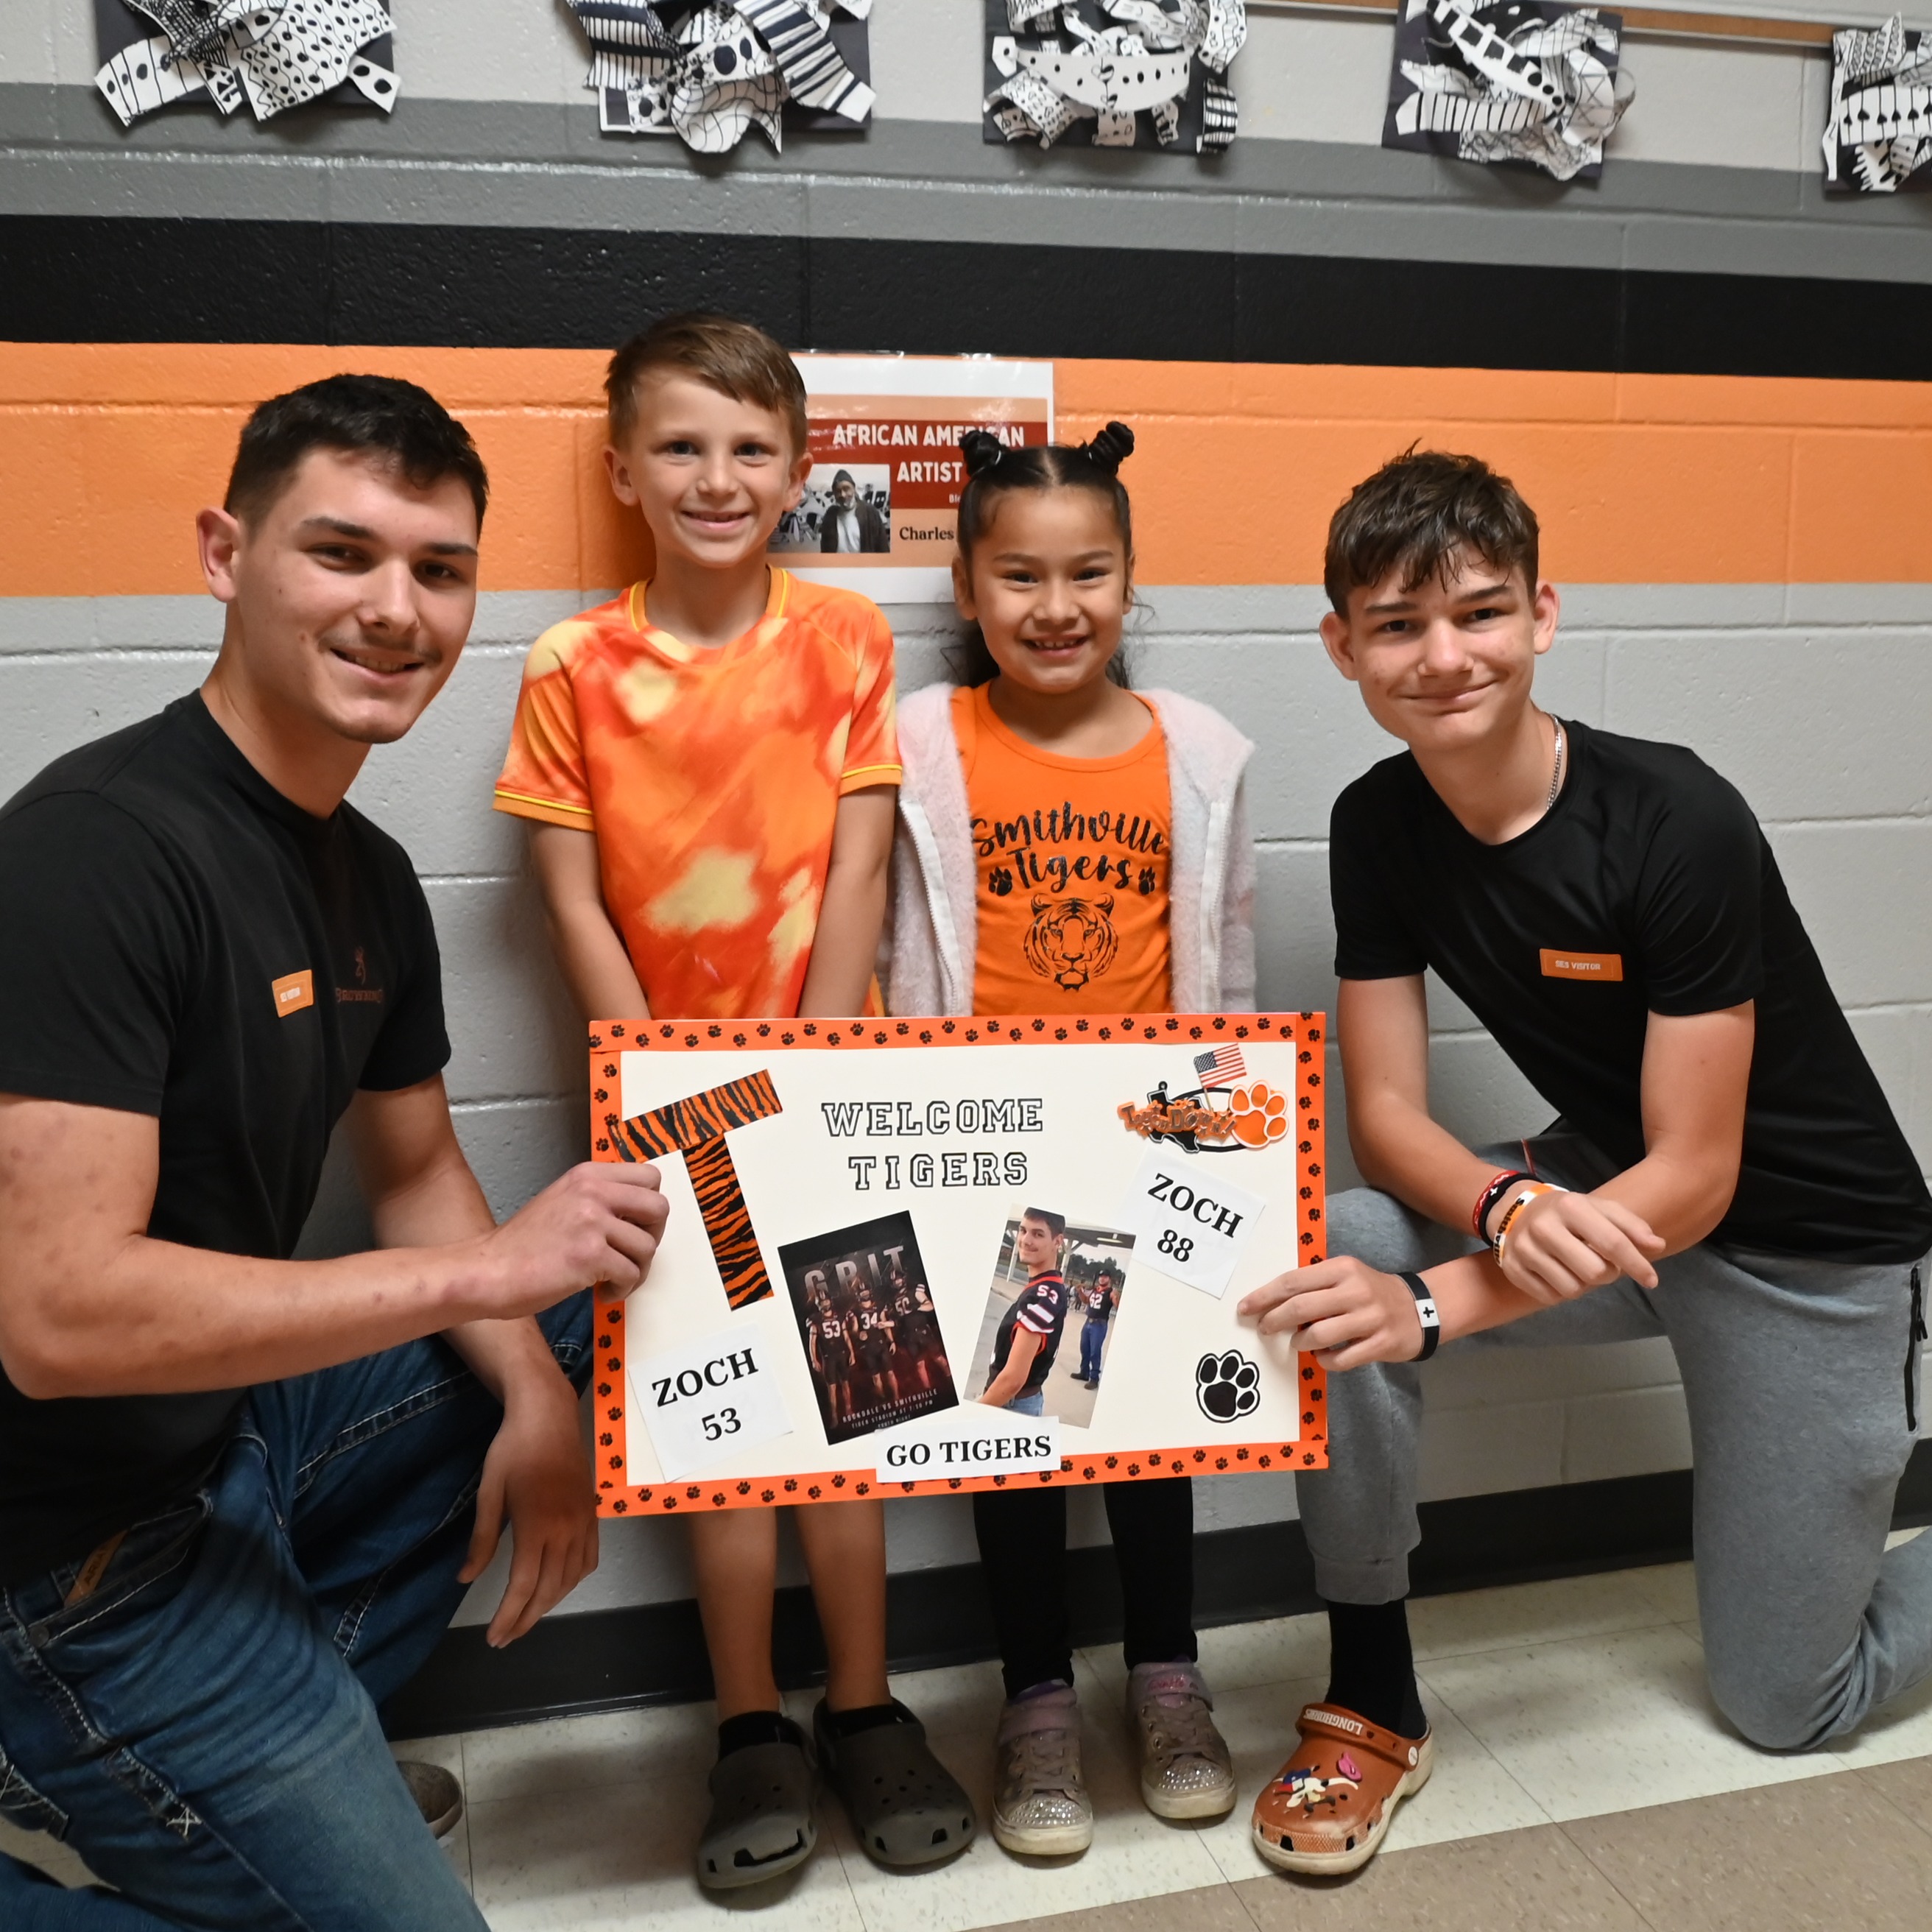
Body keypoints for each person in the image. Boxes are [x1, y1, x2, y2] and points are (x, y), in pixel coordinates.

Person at [0, 376, 670, 1931]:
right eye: (341, 554)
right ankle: (161, 1763)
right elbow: (57, 1319)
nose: (395, 609)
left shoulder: (367, 872)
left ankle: (260, 1751)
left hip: (227, 1444)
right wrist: (485, 1272)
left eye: (438, 570)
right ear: (226, 554)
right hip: (70, 1563)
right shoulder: (97, 851)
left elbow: (421, 1165)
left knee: (598, 1298)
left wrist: (537, 1385)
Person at [1238, 448, 1932, 1877]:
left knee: (1787, 1706)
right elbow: (1386, 1114)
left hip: (1803, 1251)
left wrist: (1437, 1305)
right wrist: (1501, 1203)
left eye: (1480, 613)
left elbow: (1697, 1176)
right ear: (1340, 644)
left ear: (1543, 614)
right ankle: (1370, 1694)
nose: (1443, 656)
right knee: (1341, 1244)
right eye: (1397, 624)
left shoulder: (1674, 816)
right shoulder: (1378, 822)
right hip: (1591, 1187)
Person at [492, 312, 973, 1889]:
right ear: (622, 466)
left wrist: (820, 1064)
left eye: (750, 447)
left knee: (856, 1412)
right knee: (723, 1432)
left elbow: (857, 861)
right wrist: (656, 1078)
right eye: (682, 446)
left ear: (799, 466)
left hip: (836, 1089)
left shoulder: (846, 640)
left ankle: (862, 1702)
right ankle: (750, 1722)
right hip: (663, 1112)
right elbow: (567, 900)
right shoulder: (571, 663)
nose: (716, 476)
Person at [883, 421, 1258, 1856]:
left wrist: (1226, 1155)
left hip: (1150, 1148)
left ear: (1129, 579)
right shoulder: (921, 742)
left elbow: (1223, 959)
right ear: (970, 588)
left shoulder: (1202, 753)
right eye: (1020, 574)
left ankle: (1169, 1678)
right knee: (1019, 1434)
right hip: (985, 1147)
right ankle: (1034, 1702)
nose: (1056, 605)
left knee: (1150, 1433)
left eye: (1088, 572)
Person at [819, 468, 889, 553]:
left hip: (864, 565)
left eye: (846, 489)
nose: (843, 495)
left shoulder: (869, 512)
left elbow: (882, 546)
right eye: (838, 491)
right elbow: (825, 547)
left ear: (854, 488)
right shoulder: (831, 515)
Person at [1076, 1265, 1119, 1386]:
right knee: (1085, 1348)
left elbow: (1118, 1306)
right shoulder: (1095, 1290)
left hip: (1099, 1324)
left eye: (1105, 1277)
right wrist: (1080, 1292)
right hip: (1088, 1322)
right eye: (1101, 1277)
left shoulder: (1111, 1292)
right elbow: (1086, 1301)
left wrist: (1116, 1297)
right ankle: (1084, 1372)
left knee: (1095, 1351)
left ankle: (1094, 1378)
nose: (1102, 1279)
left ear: (1109, 1279)